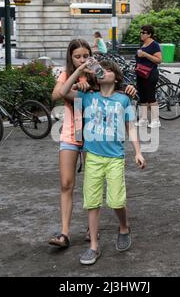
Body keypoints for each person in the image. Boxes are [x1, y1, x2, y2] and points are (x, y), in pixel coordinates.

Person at [49, 39, 136, 249]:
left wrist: (129, 89)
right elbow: (56, 95)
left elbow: (115, 88)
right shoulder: (66, 74)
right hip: (71, 133)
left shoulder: (98, 73)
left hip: (93, 136)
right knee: (66, 183)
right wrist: (77, 77)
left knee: (93, 184)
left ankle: (91, 229)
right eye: (77, 56)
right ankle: (64, 233)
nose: (82, 59)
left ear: (91, 55)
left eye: (85, 56)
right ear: (70, 57)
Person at [58, 58, 146, 265]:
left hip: (115, 157)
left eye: (108, 70)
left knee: (116, 201)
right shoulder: (87, 97)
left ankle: (124, 226)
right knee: (92, 202)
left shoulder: (123, 100)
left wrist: (138, 152)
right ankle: (93, 246)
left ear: (116, 78)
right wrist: (80, 69)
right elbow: (63, 92)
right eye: (101, 70)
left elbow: (131, 126)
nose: (104, 72)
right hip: (93, 158)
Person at [135, 25, 162, 128]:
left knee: (151, 97)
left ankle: (156, 120)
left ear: (149, 34)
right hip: (141, 74)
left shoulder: (154, 45)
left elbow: (159, 60)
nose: (141, 34)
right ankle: (144, 119)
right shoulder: (143, 44)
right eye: (141, 32)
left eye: (143, 32)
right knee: (142, 97)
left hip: (150, 74)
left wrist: (145, 54)